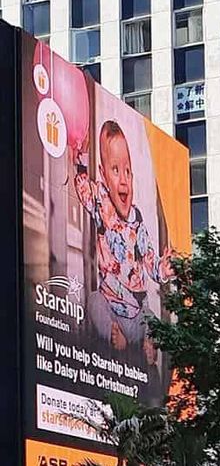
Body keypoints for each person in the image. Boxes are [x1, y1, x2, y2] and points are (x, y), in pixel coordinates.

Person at [72, 119, 163, 368]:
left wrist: (163, 269)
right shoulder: (101, 205)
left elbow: (150, 258)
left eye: (127, 171)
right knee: (93, 302)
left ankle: (146, 342)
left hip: (137, 314)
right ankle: (116, 336)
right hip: (110, 307)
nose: (123, 180)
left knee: (153, 320)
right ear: (103, 175)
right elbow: (83, 190)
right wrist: (80, 160)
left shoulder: (137, 220)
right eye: (115, 170)